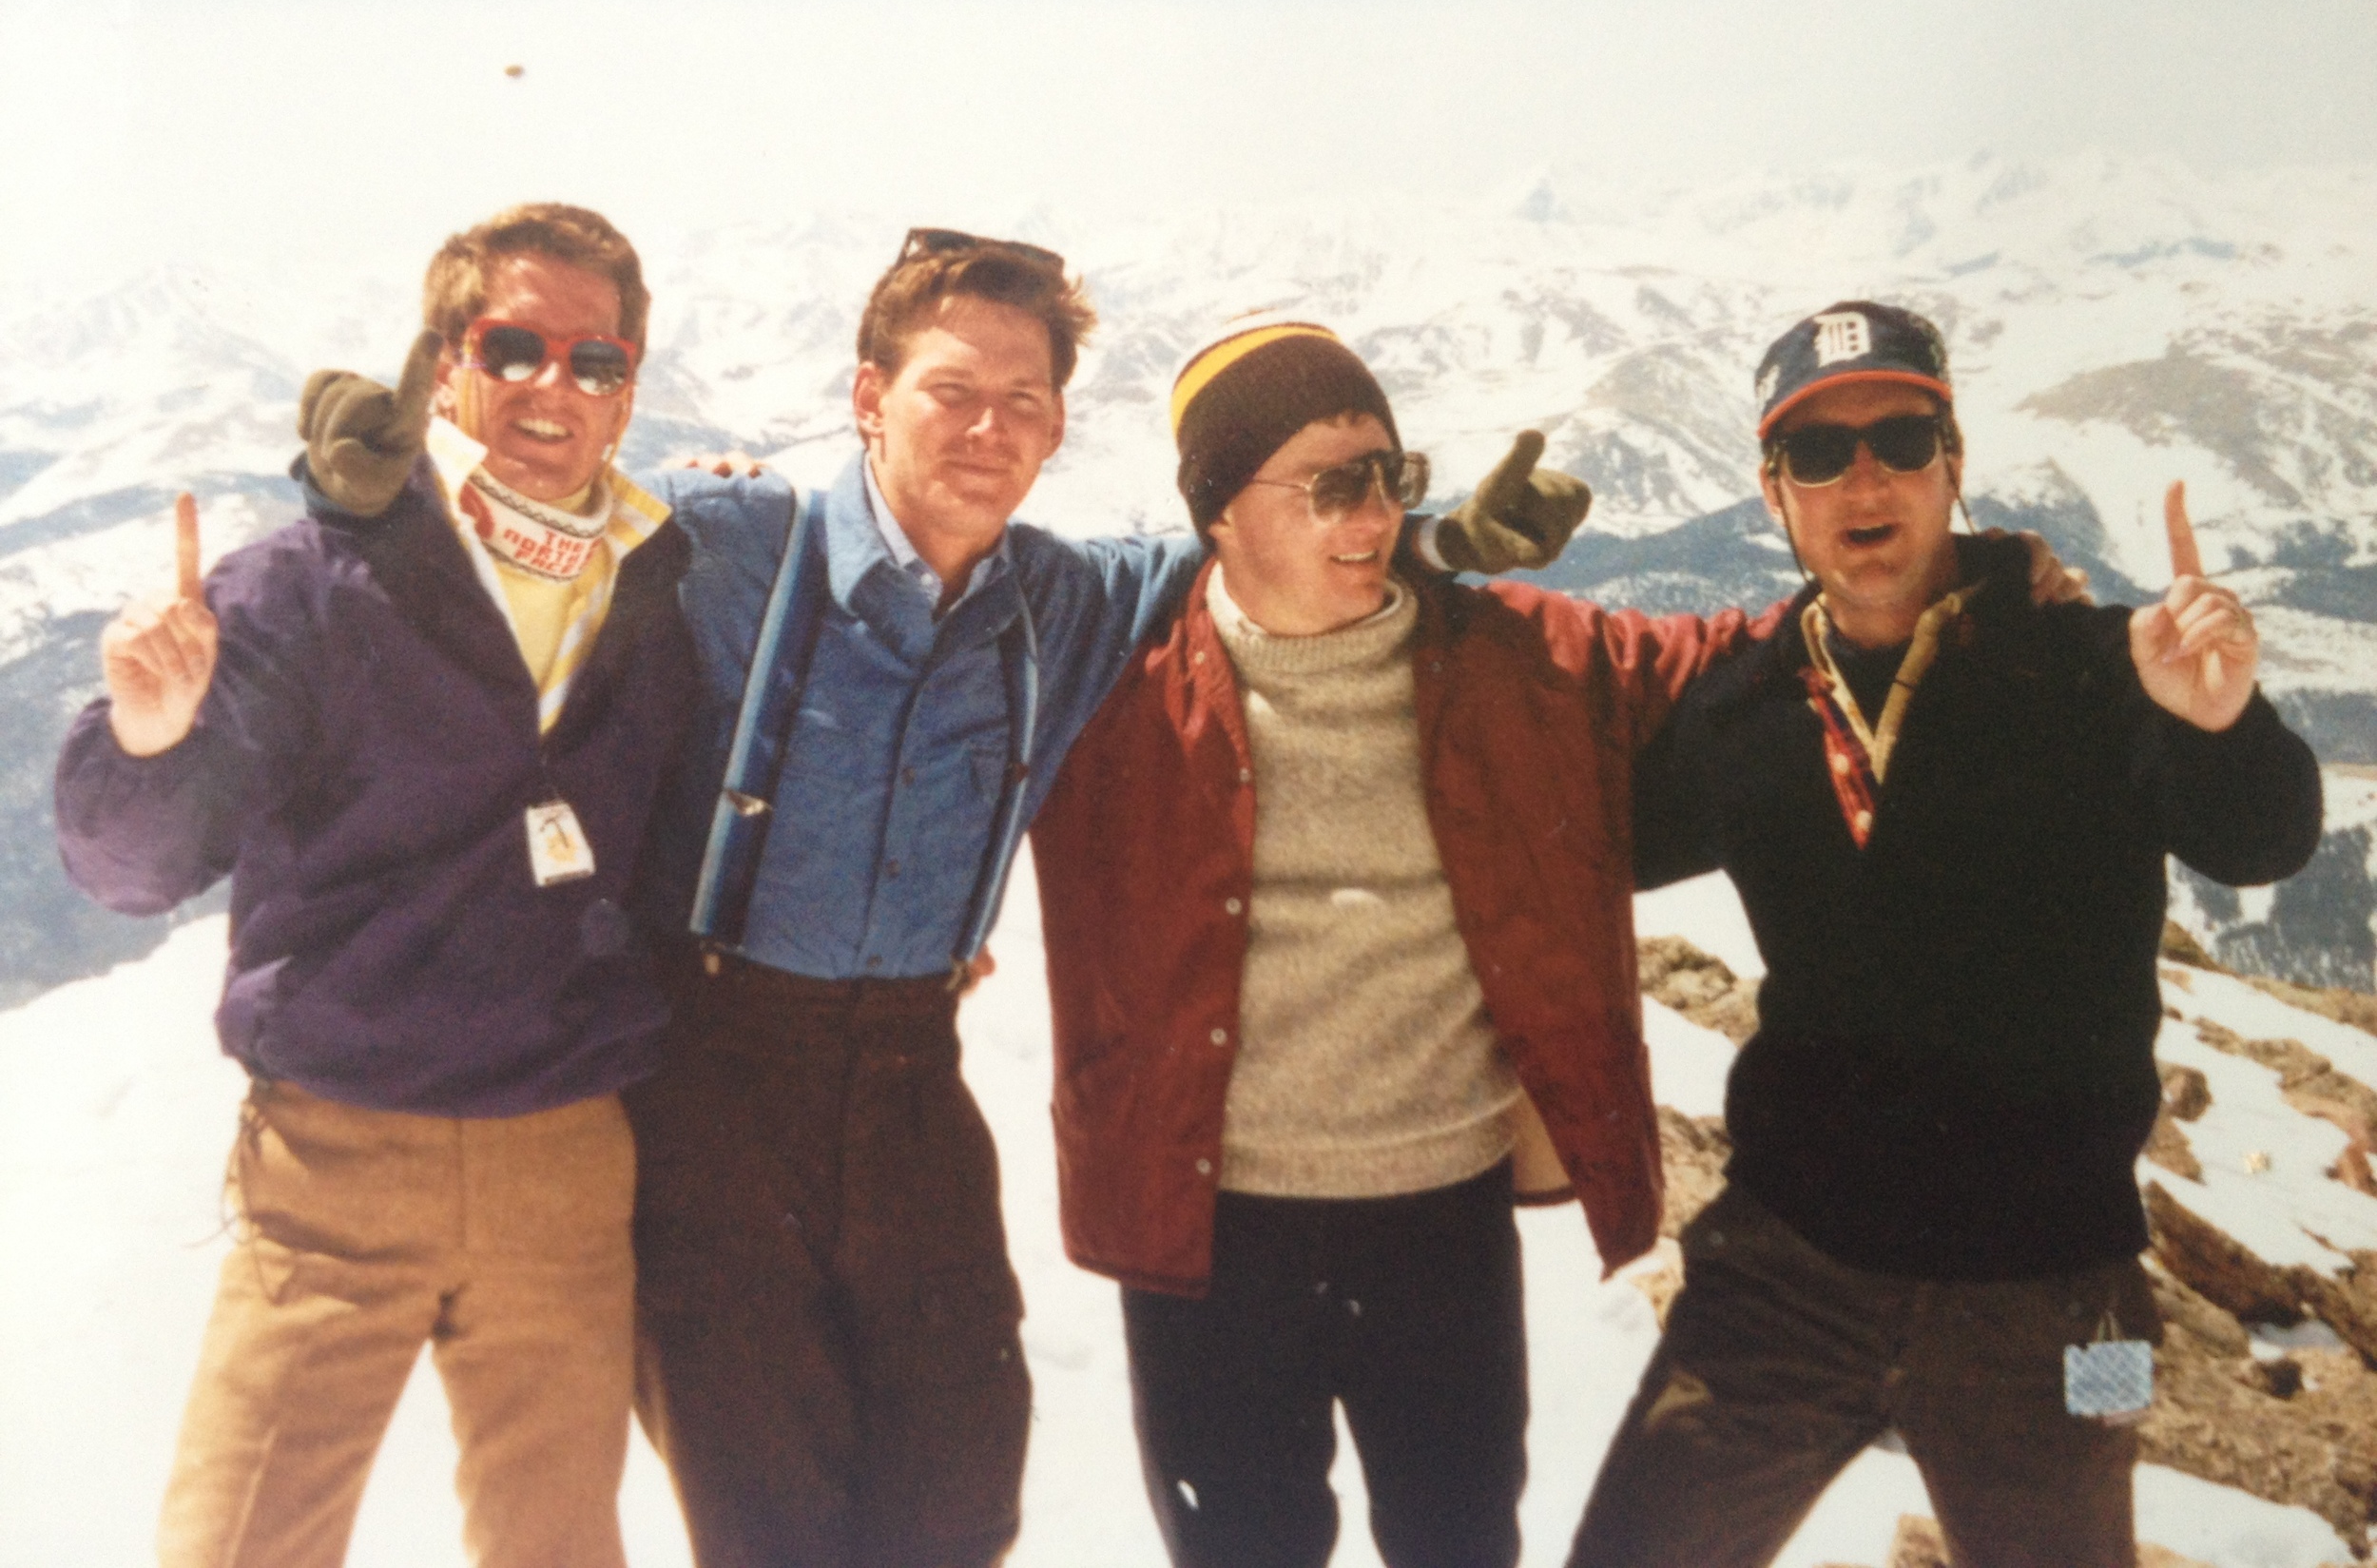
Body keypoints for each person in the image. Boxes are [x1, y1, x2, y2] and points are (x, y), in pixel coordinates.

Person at [297, 228, 1588, 1568]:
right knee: (773, 1517)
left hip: (915, 1079)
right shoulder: (726, 540)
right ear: (868, 397)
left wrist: (1433, 546)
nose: (989, 429)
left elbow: (1252, 555)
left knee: (957, 1495)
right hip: (713, 1083)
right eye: (951, 392)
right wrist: (372, 499)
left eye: (1024, 402)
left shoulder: (1063, 600)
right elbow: (536, 515)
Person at [1567, 300, 2326, 1568]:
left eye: (1902, 440)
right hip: (1782, 1277)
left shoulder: (2091, 665)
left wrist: (2226, 723)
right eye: (1820, 454)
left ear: (1953, 466)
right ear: (1774, 494)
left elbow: (2264, 839)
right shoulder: (1747, 710)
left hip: (2068, 1302)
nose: (1864, 478)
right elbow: (1576, 849)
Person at [1023, 320, 1779, 1568]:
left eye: (1391, 477)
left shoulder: (1518, 660)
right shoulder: (1115, 690)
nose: (1372, 514)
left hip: (1441, 1222)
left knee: (1460, 1543)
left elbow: (1747, 664)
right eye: (1332, 486)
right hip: (1208, 1231)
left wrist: (1981, 589)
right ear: (1218, 509)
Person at [55, 203, 697, 1568]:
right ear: (444, 361)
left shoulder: (655, 588)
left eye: (594, 362)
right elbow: (134, 867)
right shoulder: (315, 582)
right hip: (339, 1163)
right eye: (513, 344)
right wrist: (148, 736)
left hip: (565, 1161)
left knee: (558, 1548)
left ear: (628, 389)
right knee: (238, 1543)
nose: (550, 385)